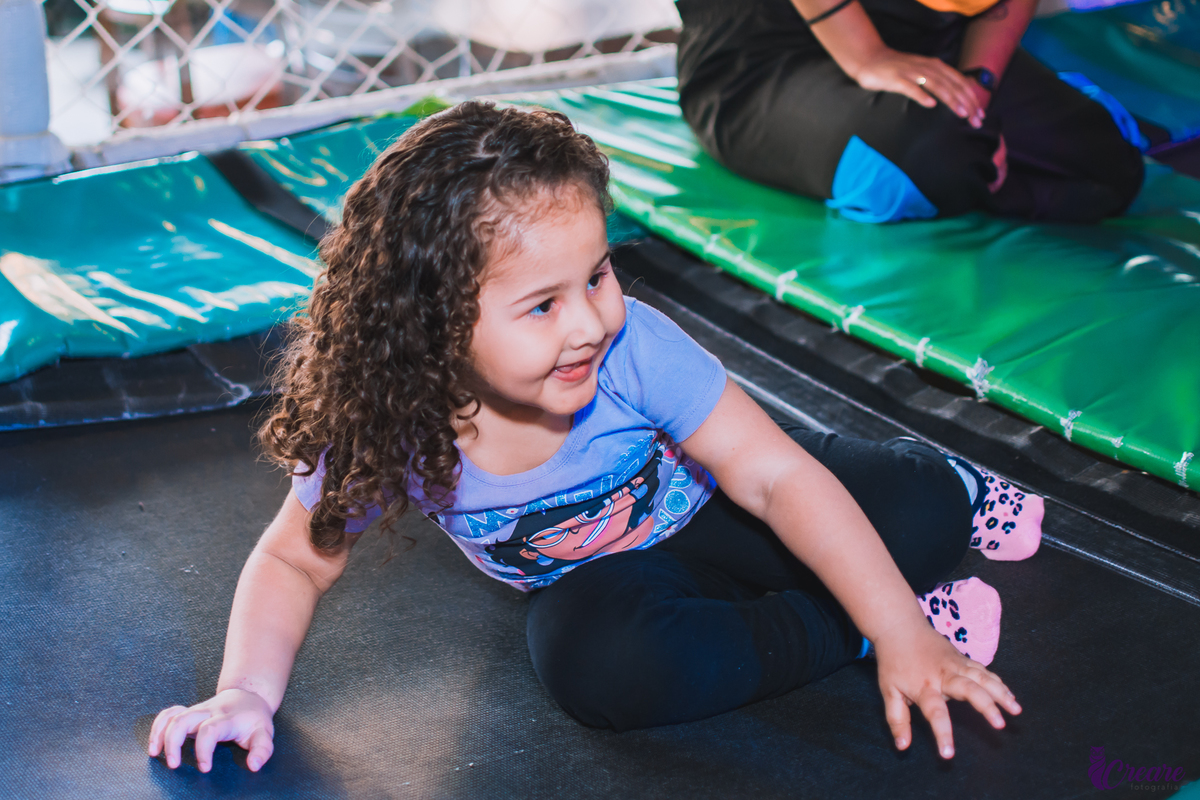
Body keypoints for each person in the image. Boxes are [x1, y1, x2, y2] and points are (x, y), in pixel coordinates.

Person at [147, 102, 1041, 773]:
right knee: (603, 677)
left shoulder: (629, 346)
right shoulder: (388, 422)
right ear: (429, 327)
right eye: (542, 304)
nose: (589, 321)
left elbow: (772, 476)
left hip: (720, 505)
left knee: (917, 513)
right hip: (602, 574)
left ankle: (949, 486)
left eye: (598, 275)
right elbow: (295, 561)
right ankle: (868, 628)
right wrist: (244, 694)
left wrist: (886, 609)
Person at [675, 0, 1147, 223]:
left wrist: (977, 90)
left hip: (919, 31)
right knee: (928, 151)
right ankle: (965, 173)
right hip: (759, 51)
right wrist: (867, 56)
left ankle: (979, 177)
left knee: (1108, 164)